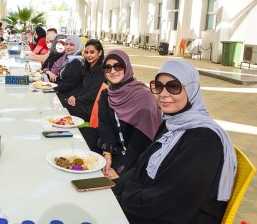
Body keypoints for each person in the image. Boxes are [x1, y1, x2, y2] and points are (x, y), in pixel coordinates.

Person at [113, 60, 237, 223]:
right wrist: (114, 187)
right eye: (158, 86)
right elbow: (142, 166)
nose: (163, 94)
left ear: (191, 88)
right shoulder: (171, 123)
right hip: (150, 203)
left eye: (174, 86)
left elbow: (169, 201)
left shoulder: (204, 140)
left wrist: (119, 196)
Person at [97, 50, 162, 179]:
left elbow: (141, 142)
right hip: (114, 150)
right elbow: (105, 126)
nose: (113, 71)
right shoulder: (107, 94)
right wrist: (107, 155)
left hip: (137, 157)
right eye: (108, 68)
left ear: (127, 67)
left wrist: (120, 169)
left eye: (118, 66)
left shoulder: (144, 97)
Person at [65, 39, 106, 120]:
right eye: (86, 52)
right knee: (62, 102)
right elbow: (82, 88)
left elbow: (93, 94)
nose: (88, 55)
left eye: (92, 52)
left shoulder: (100, 70)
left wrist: (76, 99)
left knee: (62, 106)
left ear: (100, 53)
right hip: (83, 102)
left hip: (91, 108)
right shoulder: (87, 67)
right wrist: (74, 96)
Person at [53, 35, 84, 107]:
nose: (68, 47)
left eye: (72, 45)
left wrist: (50, 88)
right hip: (66, 92)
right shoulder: (69, 59)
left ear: (77, 46)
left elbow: (69, 84)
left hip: (70, 97)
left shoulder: (76, 62)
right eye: (66, 44)